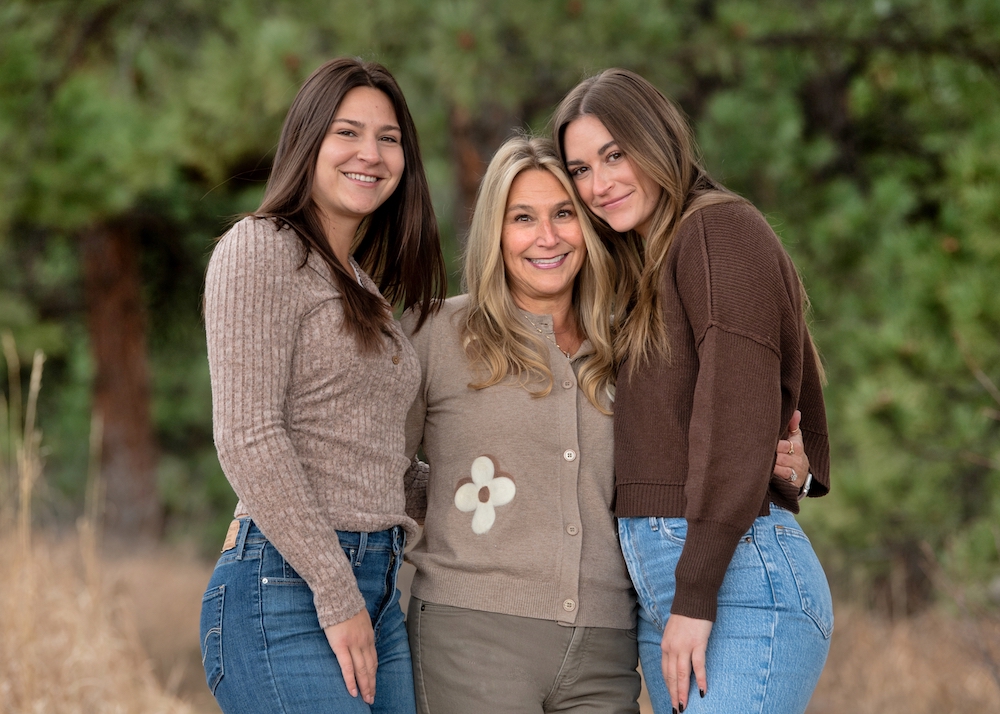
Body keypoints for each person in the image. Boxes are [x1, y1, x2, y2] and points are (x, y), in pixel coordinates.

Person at [399, 136, 813, 714]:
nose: (547, 237)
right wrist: (452, 494)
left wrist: (794, 468)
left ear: (590, 225)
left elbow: (714, 435)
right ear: (494, 231)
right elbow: (379, 464)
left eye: (564, 214)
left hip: (606, 647)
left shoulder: (630, 342)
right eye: (523, 218)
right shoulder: (436, 333)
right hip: (472, 636)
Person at [555, 69, 833, 714]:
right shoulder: (645, 265)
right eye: (580, 170)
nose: (599, 185)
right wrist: (798, 465)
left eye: (615, 155)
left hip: (731, 585)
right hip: (672, 587)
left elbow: (735, 409)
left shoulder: (717, 229)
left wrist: (697, 594)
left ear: (656, 140)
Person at [199, 57, 446, 714]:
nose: (371, 154)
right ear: (307, 141)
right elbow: (249, 435)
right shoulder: (260, 248)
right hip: (287, 588)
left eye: (389, 138)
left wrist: (495, 483)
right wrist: (336, 591)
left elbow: (375, 463)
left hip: (379, 587)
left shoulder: (363, 288)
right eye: (348, 132)